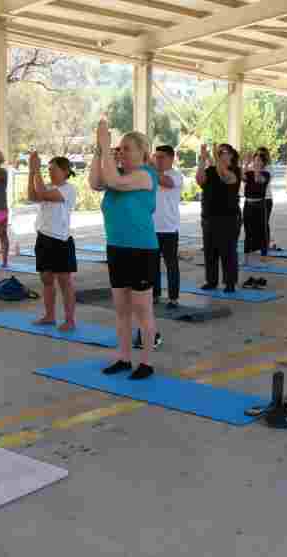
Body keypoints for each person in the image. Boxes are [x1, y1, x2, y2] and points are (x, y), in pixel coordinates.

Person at [89, 118, 159, 380]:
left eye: (126, 148)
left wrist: (106, 147)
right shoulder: (115, 174)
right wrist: (100, 149)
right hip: (117, 248)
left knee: (142, 309)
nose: (121, 152)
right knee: (121, 309)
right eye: (119, 148)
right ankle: (123, 356)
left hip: (141, 250)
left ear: (143, 152)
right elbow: (96, 182)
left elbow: (113, 181)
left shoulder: (145, 175)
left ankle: (146, 362)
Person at [27, 151, 78, 330]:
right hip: (43, 238)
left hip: (61, 240)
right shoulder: (48, 186)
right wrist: (31, 172)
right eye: (47, 169)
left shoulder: (68, 189)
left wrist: (36, 170)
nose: (50, 172)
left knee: (65, 281)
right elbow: (33, 196)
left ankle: (70, 320)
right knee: (46, 279)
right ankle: (49, 316)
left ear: (65, 171)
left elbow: (41, 193)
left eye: (53, 169)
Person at [196, 143, 242, 293]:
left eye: (223, 152)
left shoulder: (235, 171)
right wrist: (203, 159)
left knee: (228, 251)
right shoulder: (210, 170)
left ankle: (230, 282)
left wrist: (215, 158)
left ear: (231, 155)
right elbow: (200, 180)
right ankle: (211, 280)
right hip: (209, 217)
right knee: (210, 251)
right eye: (219, 152)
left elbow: (224, 175)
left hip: (228, 218)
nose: (220, 154)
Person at [151, 144, 183, 311]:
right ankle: (155, 294)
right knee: (152, 264)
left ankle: (173, 297)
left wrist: (149, 167)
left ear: (171, 158)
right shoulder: (152, 175)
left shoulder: (176, 175)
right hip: (152, 227)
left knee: (171, 265)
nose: (158, 160)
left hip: (169, 228)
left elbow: (166, 182)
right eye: (156, 157)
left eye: (161, 157)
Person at [241, 148, 272, 273]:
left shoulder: (266, 174)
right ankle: (246, 257)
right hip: (248, 204)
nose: (256, 162)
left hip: (260, 205)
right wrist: (246, 163)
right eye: (255, 160)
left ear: (263, 163)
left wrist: (256, 167)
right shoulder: (248, 173)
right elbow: (242, 177)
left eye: (259, 161)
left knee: (262, 229)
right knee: (248, 230)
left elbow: (258, 179)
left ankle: (264, 255)